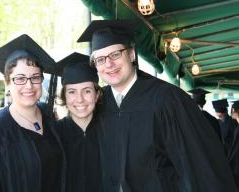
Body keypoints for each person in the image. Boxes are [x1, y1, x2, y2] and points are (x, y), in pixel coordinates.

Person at [77, 19, 238, 192]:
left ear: (131, 54)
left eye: (116, 54)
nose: (109, 64)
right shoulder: (99, 105)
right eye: (100, 59)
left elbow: (198, 163)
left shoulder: (167, 99)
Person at [0, 34, 66, 192]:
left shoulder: (49, 117)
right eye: (20, 78)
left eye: (35, 77)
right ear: (7, 83)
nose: (29, 85)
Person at [54, 52, 103, 192]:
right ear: (64, 96)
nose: (79, 99)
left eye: (87, 91)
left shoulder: (112, 131)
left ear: (97, 94)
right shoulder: (53, 134)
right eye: (72, 92)